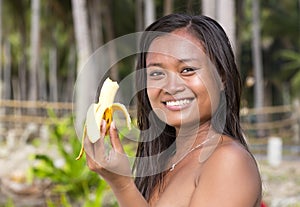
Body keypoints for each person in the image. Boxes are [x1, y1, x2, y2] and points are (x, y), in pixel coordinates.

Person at [84, 13, 262, 207]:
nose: (171, 87)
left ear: (221, 77)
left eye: (187, 70)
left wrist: (123, 185)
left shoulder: (228, 161)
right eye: (157, 73)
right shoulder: (165, 160)